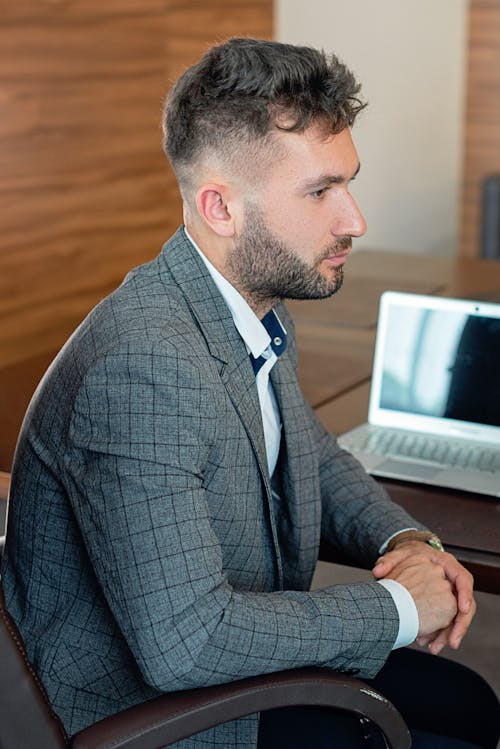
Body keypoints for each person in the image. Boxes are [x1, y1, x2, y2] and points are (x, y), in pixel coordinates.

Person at [2, 38, 499, 749]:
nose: (354, 219)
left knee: (471, 702)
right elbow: (187, 641)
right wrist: (396, 605)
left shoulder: (250, 299)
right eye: (321, 191)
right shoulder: (140, 367)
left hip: (236, 669)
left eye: (347, 182)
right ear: (221, 207)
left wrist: (406, 539)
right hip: (156, 716)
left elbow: (312, 456)